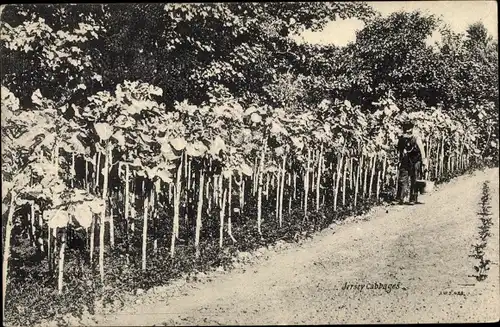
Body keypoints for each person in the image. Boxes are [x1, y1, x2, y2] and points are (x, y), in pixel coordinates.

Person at [395, 120, 428, 205]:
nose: (407, 131)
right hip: (405, 161)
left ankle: (413, 198)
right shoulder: (401, 139)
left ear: (412, 129)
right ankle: (401, 198)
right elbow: (398, 150)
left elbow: (422, 150)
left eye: (409, 129)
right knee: (402, 179)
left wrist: (424, 161)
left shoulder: (416, 138)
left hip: (415, 161)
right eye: (405, 129)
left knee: (415, 180)